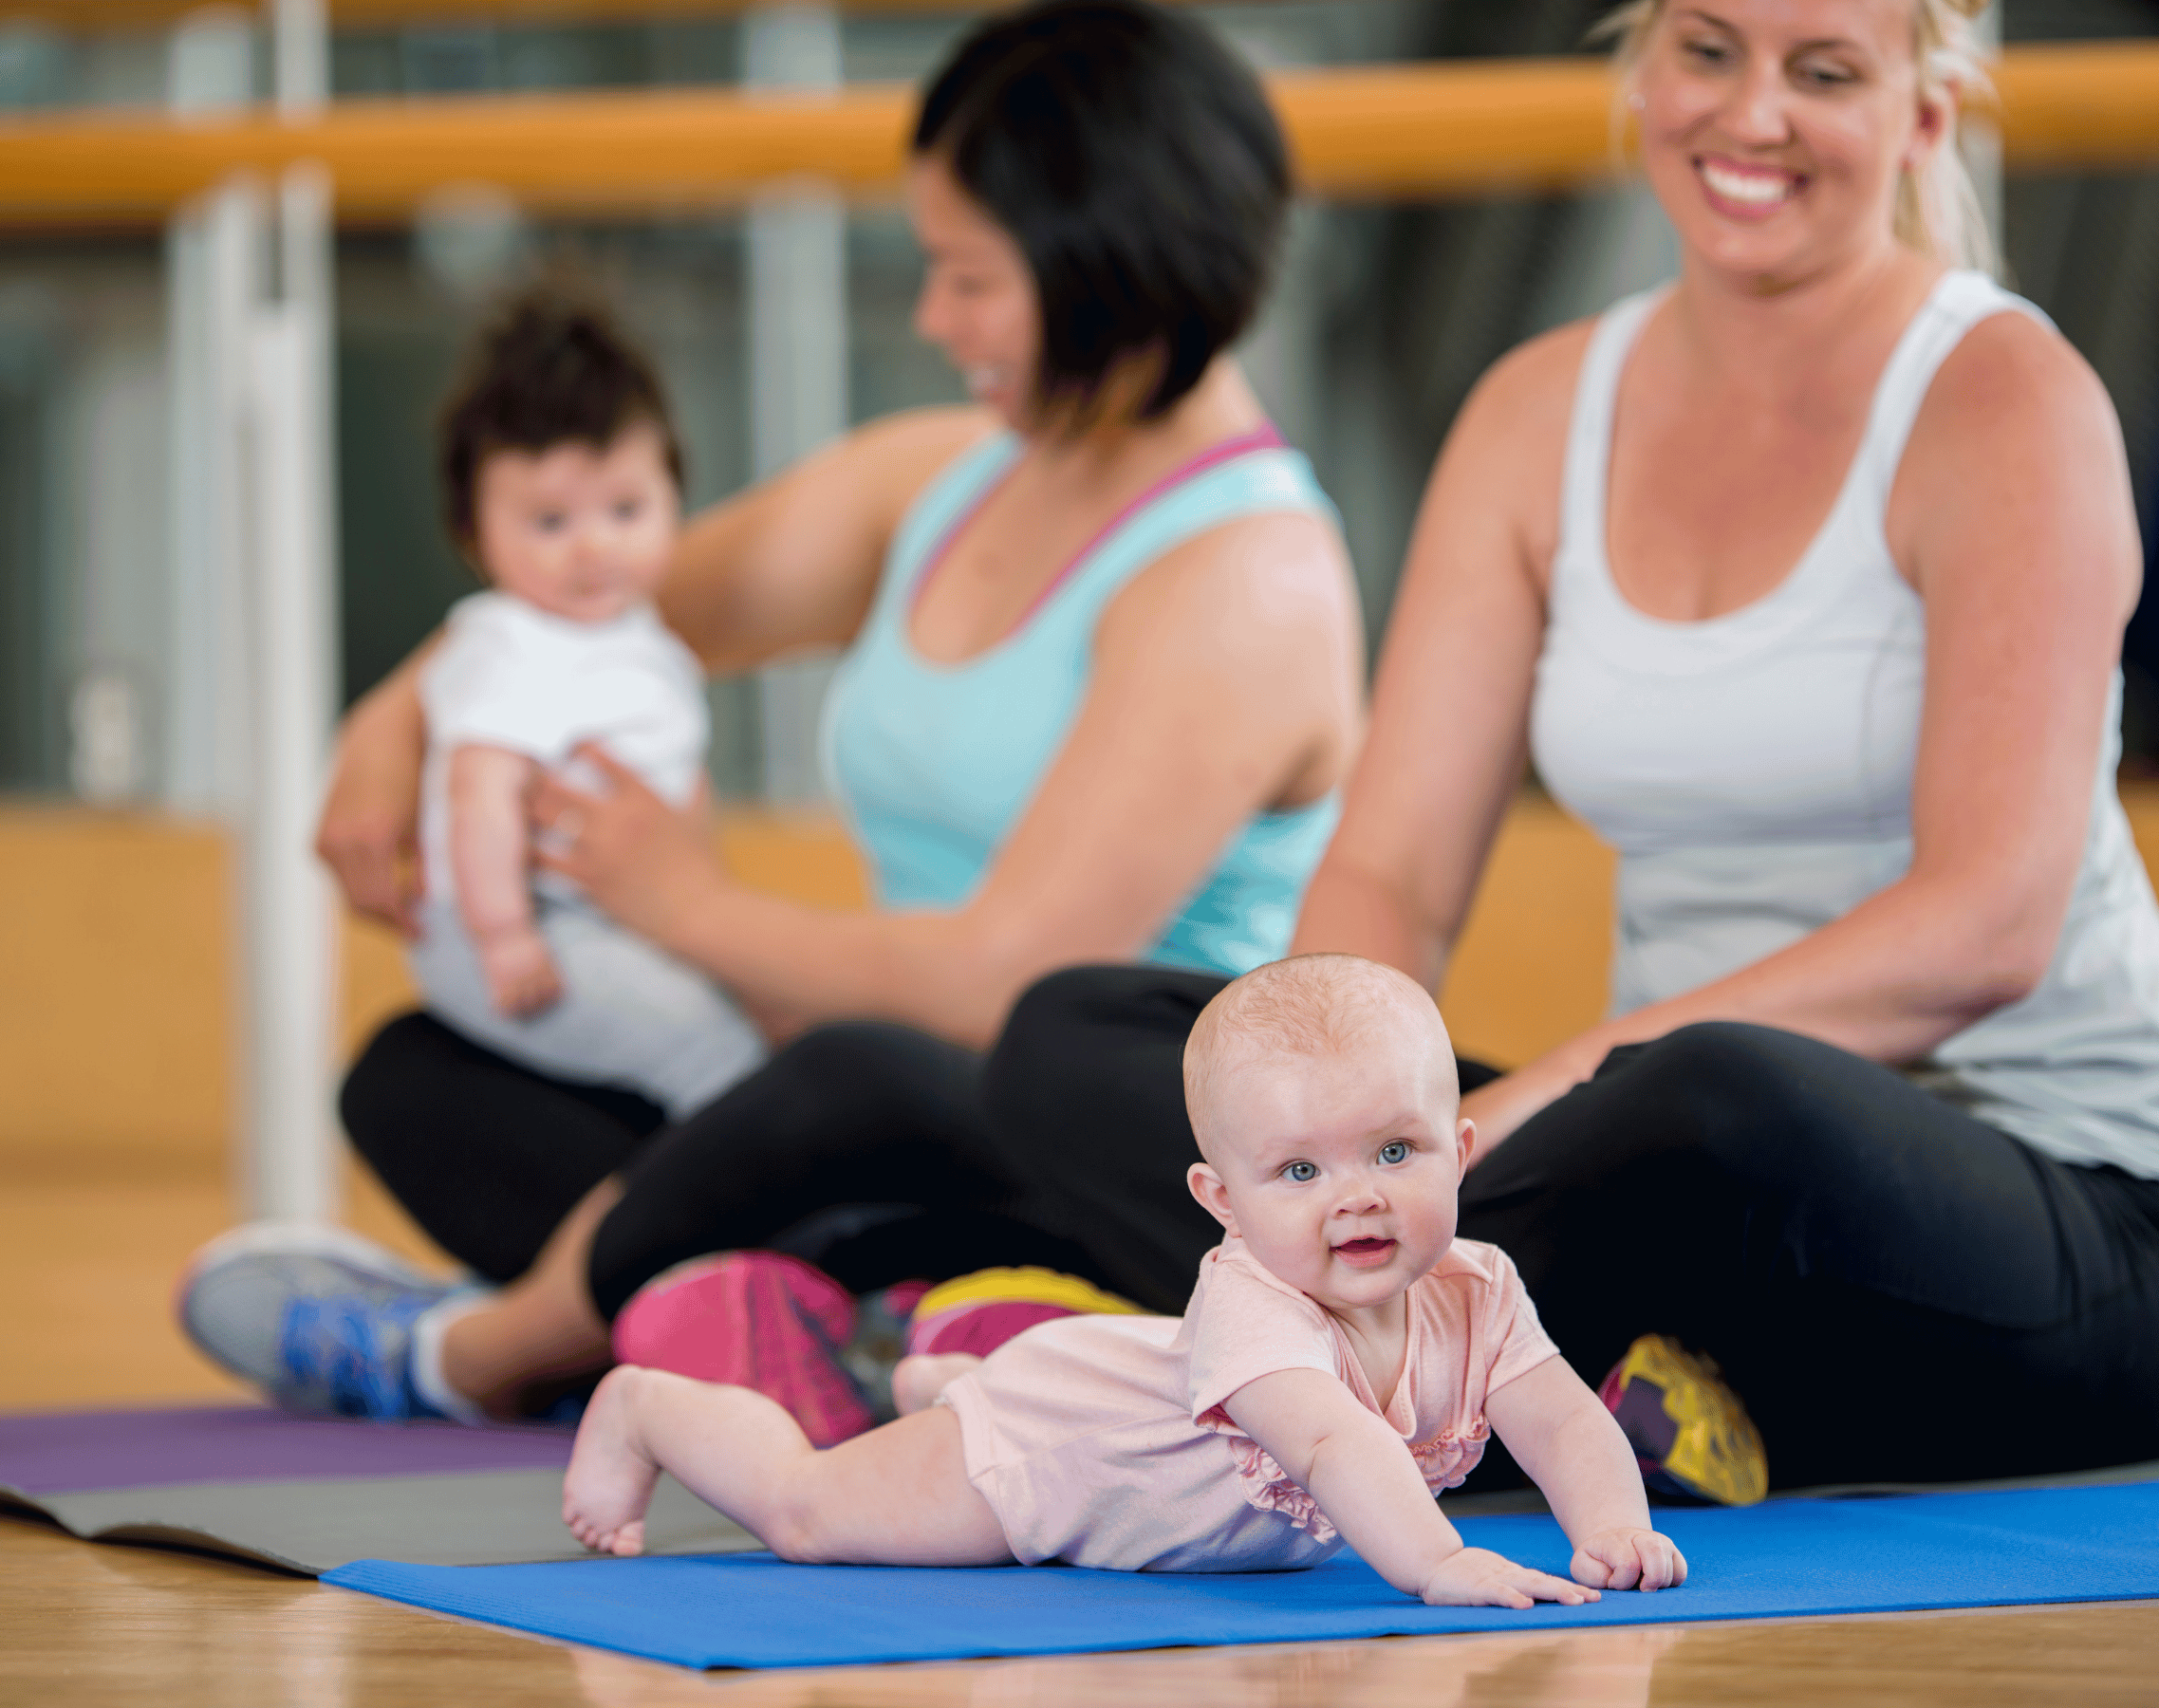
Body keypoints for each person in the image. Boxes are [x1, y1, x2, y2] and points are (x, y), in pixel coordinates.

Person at [974, 0, 2159, 1494]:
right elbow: (1392, 869)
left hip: (2067, 1221)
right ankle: (1533, 1381)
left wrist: (1578, 1077)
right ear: (1641, 70)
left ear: (1923, 115)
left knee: (1718, 1099)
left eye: (1826, 72)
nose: (1753, 114)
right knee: (1079, 1038)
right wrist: (1315, 1116)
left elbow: (1985, 928)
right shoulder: (1538, 414)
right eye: (1709, 52)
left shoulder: (2004, 400)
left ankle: (1237, 1370)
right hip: (1660, 1184)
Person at [177, 0, 1366, 1430]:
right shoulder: (945, 478)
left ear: (1108, 265)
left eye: (967, 278)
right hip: (885, 1124)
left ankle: (492, 1350)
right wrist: (394, 721)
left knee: (849, 1072)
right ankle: (828, 1328)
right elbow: (595, 601)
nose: (935, 320)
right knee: (422, 1079)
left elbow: (1006, 989)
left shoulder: (1249, 576)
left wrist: (684, 904)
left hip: (1100, 1156)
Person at [561, 956, 1687, 1605]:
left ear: (1463, 1154)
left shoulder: (1480, 1287)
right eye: (1298, 1169)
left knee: (1000, 1388)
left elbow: (1558, 1415)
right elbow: (1337, 1445)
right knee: (812, 1515)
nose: (1357, 1196)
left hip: (1124, 1389)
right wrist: (1439, 1567)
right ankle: (652, 1408)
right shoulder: (1252, 1298)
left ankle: (935, 1374)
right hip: (1055, 1457)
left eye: (1395, 1153)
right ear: (1222, 1204)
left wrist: (1610, 1530)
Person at [406, 286, 766, 1122]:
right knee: (713, 1053)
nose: (595, 546)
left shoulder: (649, 647)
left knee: (741, 1031)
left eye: (626, 509)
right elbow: (479, 793)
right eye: (550, 521)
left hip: (614, 919)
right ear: (473, 531)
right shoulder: (507, 643)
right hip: (523, 929)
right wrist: (504, 932)